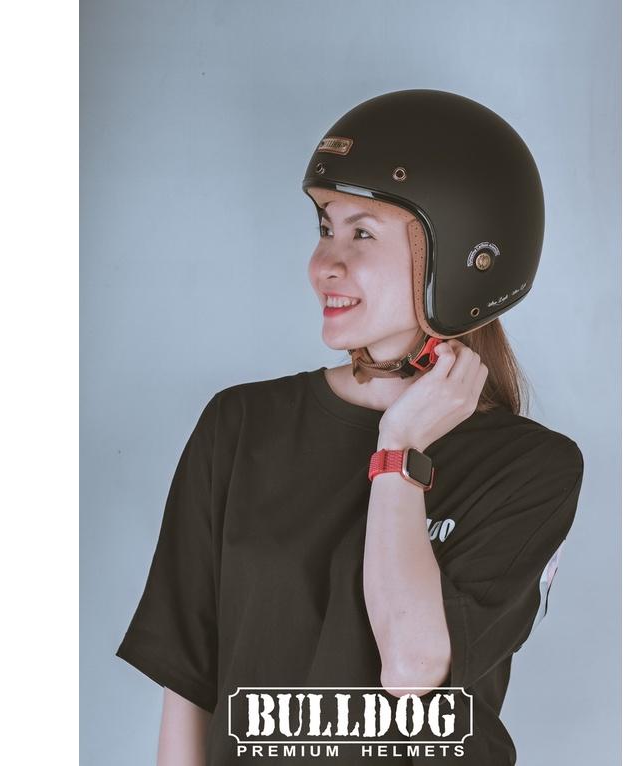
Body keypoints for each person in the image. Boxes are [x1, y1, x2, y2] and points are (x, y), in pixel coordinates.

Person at [115, 89, 585, 765]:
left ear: (463, 254)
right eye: (324, 229)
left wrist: (399, 452)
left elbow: (414, 667)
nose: (322, 265)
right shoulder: (240, 426)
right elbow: (189, 685)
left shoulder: (529, 469)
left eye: (361, 234)